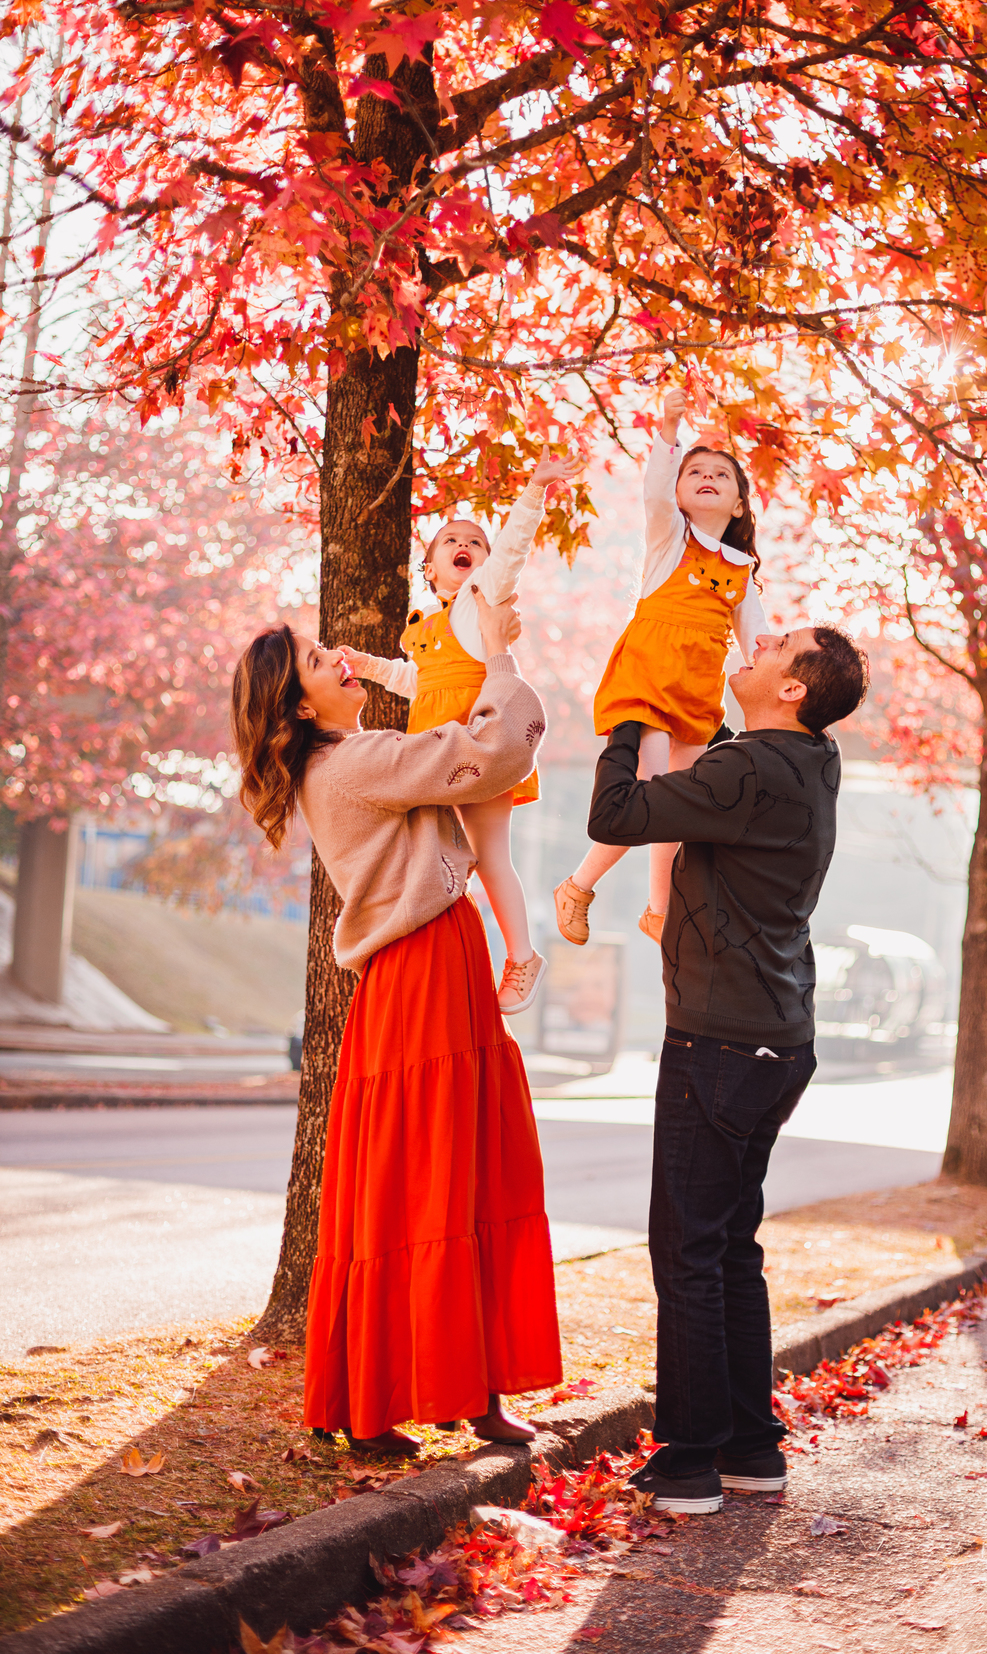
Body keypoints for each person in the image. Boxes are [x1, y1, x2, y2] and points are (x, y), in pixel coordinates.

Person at [231, 589, 561, 1455]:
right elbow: (487, 754)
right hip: (421, 971)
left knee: (448, 1174)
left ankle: (450, 1388)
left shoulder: (342, 759)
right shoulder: (354, 761)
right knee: (441, 1176)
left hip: (424, 970)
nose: (341, 657)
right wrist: (498, 658)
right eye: (317, 660)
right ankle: (404, 1396)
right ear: (303, 704)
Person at [586, 623, 870, 1512]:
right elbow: (720, 760)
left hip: (717, 1043)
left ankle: (690, 1461)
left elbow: (618, 816)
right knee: (729, 1248)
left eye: (775, 644)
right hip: (777, 1041)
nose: (758, 640)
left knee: (690, 1254)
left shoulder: (748, 772)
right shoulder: (807, 762)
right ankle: (752, 1447)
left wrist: (626, 720)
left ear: (793, 691)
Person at [339, 449, 583, 1016]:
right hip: (431, 759)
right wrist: (371, 667)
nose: (463, 544)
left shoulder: (479, 606)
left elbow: (514, 549)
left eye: (474, 540)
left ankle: (522, 957)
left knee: (490, 854)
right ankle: (444, 961)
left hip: (477, 749)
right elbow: (421, 686)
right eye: (450, 540)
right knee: (437, 860)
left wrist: (536, 488)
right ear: (429, 568)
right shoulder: (425, 626)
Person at [554, 385, 768, 947]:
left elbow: (758, 645)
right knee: (647, 787)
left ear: (740, 504)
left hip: (697, 697)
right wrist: (669, 433)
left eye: (722, 476)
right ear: (677, 492)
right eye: (694, 472)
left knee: (674, 804)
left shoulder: (743, 571)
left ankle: (657, 911)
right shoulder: (669, 540)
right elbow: (653, 495)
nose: (707, 478)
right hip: (650, 679)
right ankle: (578, 885)